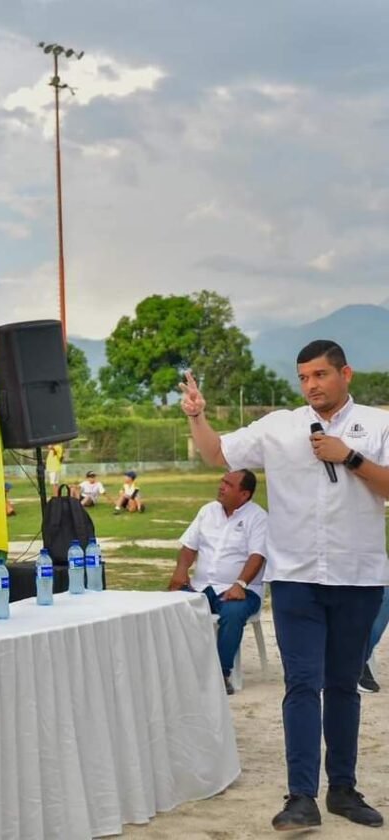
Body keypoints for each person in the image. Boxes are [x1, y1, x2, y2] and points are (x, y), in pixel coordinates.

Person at [180, 340, 389, 831]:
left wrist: (350, 458)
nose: (311, 385)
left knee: (343, 686)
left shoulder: (377, 424)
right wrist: (197, 415)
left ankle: (343, 789)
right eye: (304, 377)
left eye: (320, 375)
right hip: (296, 579)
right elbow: (216, 453)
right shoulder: (279, 426)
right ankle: (301, 797)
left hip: (357, 577)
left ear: (345, 374)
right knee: (301, 684)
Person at [166, 470, 268, 695]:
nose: (221, 487)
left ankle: (220, 674)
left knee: (233, 613)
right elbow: (189, 547)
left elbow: (257, 556)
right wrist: (180, 571)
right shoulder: (208, 511)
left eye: (228, 484)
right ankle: (177, 669)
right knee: (167, 605)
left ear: (244, 494)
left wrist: (240, 584)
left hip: (242, 590)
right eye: (222, 482)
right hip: (201, 587)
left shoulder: (258, 517)